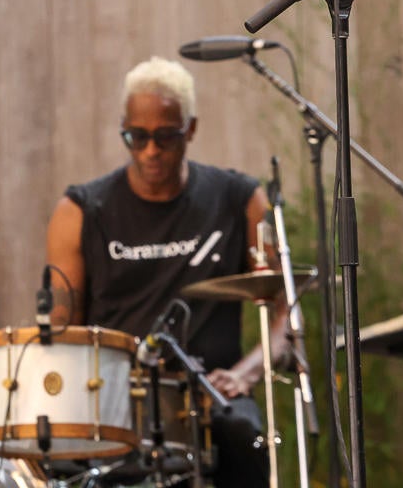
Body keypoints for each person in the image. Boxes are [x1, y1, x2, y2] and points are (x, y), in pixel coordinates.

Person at [45, 56, 288, 488]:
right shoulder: (80, 210)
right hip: (115, 396)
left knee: (245, 434)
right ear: (123, 128)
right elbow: (61, 333)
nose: (151, 150)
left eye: (165, 137)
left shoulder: (239, 199)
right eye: (136, 137)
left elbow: (287, 316)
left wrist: (245, 375)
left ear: (190, 129)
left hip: (211, 393)